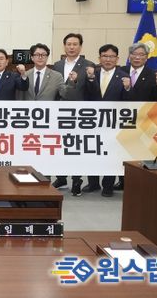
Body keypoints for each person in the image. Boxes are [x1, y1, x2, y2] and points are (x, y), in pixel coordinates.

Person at [82, 44, 132, 197]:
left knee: (111, 154)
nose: (108, 59)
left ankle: (108, 185)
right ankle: (93, 183)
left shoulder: (124, 76)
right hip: (93, 121)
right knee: (92, 152)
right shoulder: (93, 73)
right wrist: (90, 79)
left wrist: (128, 88)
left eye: (111, 56)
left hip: (113, 122)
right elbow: (87, 95)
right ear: (99, 58)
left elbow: (128, 102)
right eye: (105, 56)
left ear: (117, 59)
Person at [116, 42, 157, 190]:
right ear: (129, 56)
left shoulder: (154, 74)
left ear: (147, 57)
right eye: (134, 54)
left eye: (141, 55)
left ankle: (140, 182)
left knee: (140, 151)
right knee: (122, 150)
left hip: (144, 120)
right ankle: (122, 181)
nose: (137, 57)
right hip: (122, 118)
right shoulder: (120, 71)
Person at [51, 33, 95, 196]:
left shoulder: (89, 65)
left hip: (79, 113)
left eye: (75, 44)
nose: (71, 47)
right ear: (64, 46)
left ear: (80, 47)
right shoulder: (57, 65)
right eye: (68, 44)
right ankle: (61, 178)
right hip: (60, 112)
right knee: (60, 146)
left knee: (76, 148)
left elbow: (92, 90)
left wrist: (87, 78)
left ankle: (77, 180)